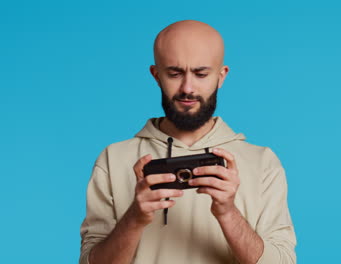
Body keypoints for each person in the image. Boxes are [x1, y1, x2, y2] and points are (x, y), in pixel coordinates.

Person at [79, 20, 296, 264]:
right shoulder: (113, 158)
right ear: (156, 75)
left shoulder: (262, 162)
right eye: (174, 73)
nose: (188, 88)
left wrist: (227, 212)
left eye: (201, 74)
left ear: (221, 76)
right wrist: (135, 218)